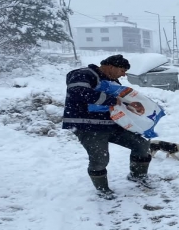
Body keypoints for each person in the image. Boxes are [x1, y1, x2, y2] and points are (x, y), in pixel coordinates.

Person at [62, 55, 153, 199]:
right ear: (111, 66)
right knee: (100, 159)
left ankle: (138, 176)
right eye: (122, 70)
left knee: (141, 143)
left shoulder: (112, 81)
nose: (124, 74)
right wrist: (110, 99)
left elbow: (119, 102)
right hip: (88, 126)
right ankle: (102, 189)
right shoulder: (83, 74)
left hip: (112, 124)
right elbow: (78, 92)